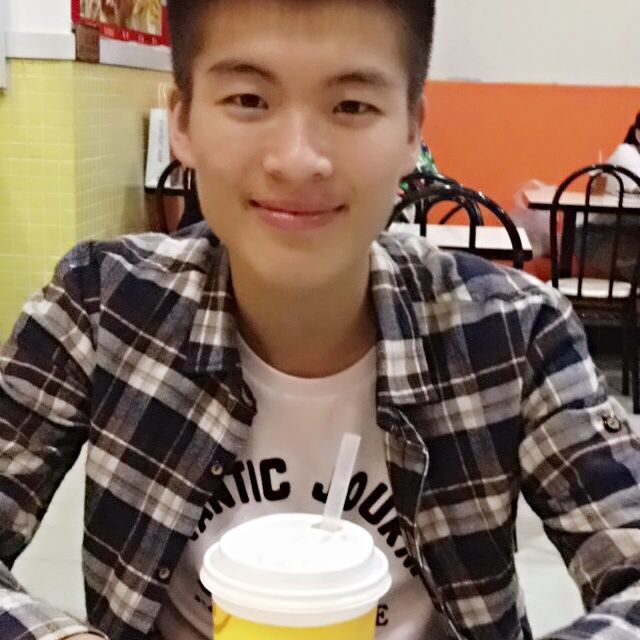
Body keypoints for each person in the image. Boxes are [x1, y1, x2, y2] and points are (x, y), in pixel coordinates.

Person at [1, 2, 639, 640]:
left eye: (351, 106)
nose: (298, 160)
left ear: (412, 133)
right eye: (249, 100)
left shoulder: (514, 332)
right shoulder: (103, 304)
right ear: (183, 123)